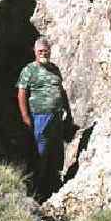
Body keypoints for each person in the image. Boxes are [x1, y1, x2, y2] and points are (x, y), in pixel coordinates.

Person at [16, 37, 72, 200]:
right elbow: (21, 94)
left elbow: (61, 92)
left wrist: (68, 112)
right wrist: (26, 116)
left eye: (46, 51)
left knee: (56, 151)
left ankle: (53, 184)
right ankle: (38, 189)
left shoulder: (55, 69)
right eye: (40, 51)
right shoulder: (29, 70)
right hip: (39, 118)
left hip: (56, 117)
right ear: (34, 52)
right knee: (40, 152)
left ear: (50, 52)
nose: (43, 53)